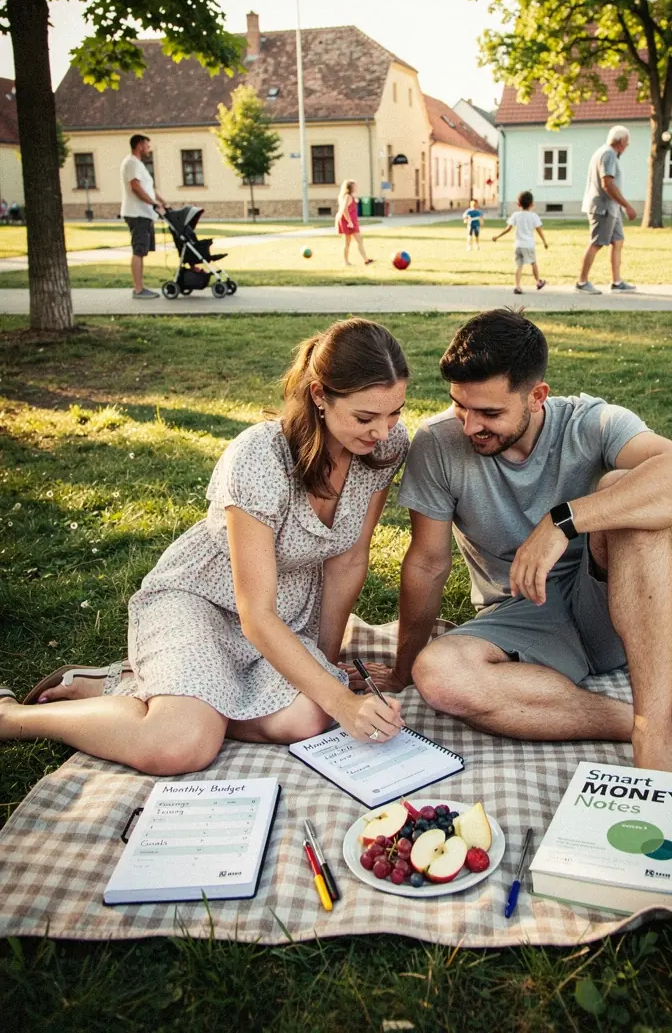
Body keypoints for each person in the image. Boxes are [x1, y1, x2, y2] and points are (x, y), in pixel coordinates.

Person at [369, 310, 672, 842]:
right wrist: (406, 665)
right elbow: (429, 563)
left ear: (537, 395)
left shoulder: (593, 422)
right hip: (521, 619)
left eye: (488, 412)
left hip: (611, 604)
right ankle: (660, 723)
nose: (470, 425)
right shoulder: (438, 444)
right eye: (460, 405)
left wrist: (563, 521)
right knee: (440, 676)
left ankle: (655, 743)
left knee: (632, 492)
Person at [0, 320, 409, 774]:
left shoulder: (384, 447)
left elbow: (348, 560)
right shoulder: (259, 457)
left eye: (395, 412)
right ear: (319, 396)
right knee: (182, 745)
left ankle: (147, 689)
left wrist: (325, 669)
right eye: (366, 417)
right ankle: (15, 717)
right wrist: (339, 698)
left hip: (287, 610)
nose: (383, 431)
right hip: (202, 600)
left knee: (309, 716)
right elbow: (254, 612)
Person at [576, 125, 638, 294]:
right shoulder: (608, 154)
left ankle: (617, 282)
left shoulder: (605, 153)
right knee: (596, 242)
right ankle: (582, 282)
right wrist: (627, 205)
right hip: (603, 207)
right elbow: (607, 183)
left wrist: (620, 206)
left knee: (618, 241)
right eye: (627, 143)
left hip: (612, 208)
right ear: (622, 141)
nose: (627, 147)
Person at [121, 134, 165, 299]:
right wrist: (153, 204)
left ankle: (140, 288)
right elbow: (136, 187)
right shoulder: (131, 163)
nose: (149, 148)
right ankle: (138, 290)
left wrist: (163, 202)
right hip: (137, 213)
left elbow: (149, 188)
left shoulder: (138, 164)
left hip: (144, 214)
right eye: (147, 145)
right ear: (139, 145)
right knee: (138, 250)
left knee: (142, 250)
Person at [492, 191, 548, 294]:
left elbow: (508, 228)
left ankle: (517, 286)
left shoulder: (516, 215)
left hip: (518, 245)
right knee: (533, 263)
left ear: (518, 204)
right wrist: (544, 241)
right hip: (529, 245)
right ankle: (538, 281)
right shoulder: (534, 216)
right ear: (532, 204)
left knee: (519, 266)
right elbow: (539, 230)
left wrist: (497, 236)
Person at [336, 179, 373, 267]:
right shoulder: (348, 197)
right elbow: (345, 210)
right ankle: (347, 262)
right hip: (348, 223)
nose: (356, 187)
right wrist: (349, 222)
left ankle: (365, 260)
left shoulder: (350, 197)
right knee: (352, 241)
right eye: (355, 186)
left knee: (355, 241)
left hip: (351, 222)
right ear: (351, 187)